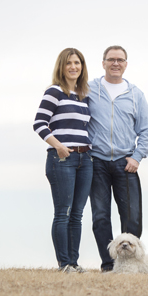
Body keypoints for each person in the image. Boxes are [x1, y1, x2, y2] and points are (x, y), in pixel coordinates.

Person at [87, 45, 148, 272]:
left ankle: (130, 267)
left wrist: (137, 157)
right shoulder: (89, 89)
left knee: (132, 217)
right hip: (96, 162)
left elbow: (146, 130)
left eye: (120, 60)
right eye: (111, 59)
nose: (116, 63)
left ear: (126, 64)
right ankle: (108, 266)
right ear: (103, 62)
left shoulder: (135, 94)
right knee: (100, 217)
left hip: (126, 163)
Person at [33, 48, 93, 274]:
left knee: (77, 214)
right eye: (69, 63)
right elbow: (39, 123)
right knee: (63, 213)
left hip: (85, 159)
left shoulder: (83, 96)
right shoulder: (54, 92)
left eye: (77, 63)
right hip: (62, 159)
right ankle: (64, 264)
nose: (73, 67)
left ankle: (74, 263)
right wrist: (58, 146)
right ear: (62, 66)